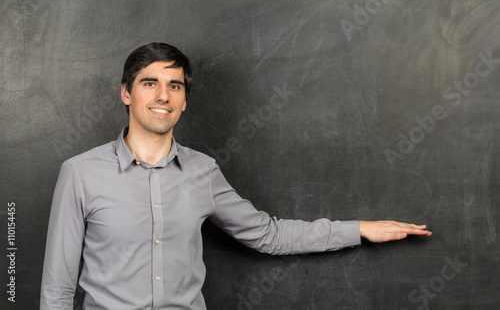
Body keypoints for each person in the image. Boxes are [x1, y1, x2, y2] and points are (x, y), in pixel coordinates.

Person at [40, 42, 431, 309]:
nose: (163, 96)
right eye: (150, 83)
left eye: (174, 86)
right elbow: (57, 288)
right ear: (127, 93)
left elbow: (267, 234)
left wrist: (358, 228)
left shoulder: (203, 171)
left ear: (184, 100)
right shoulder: (80, 173)